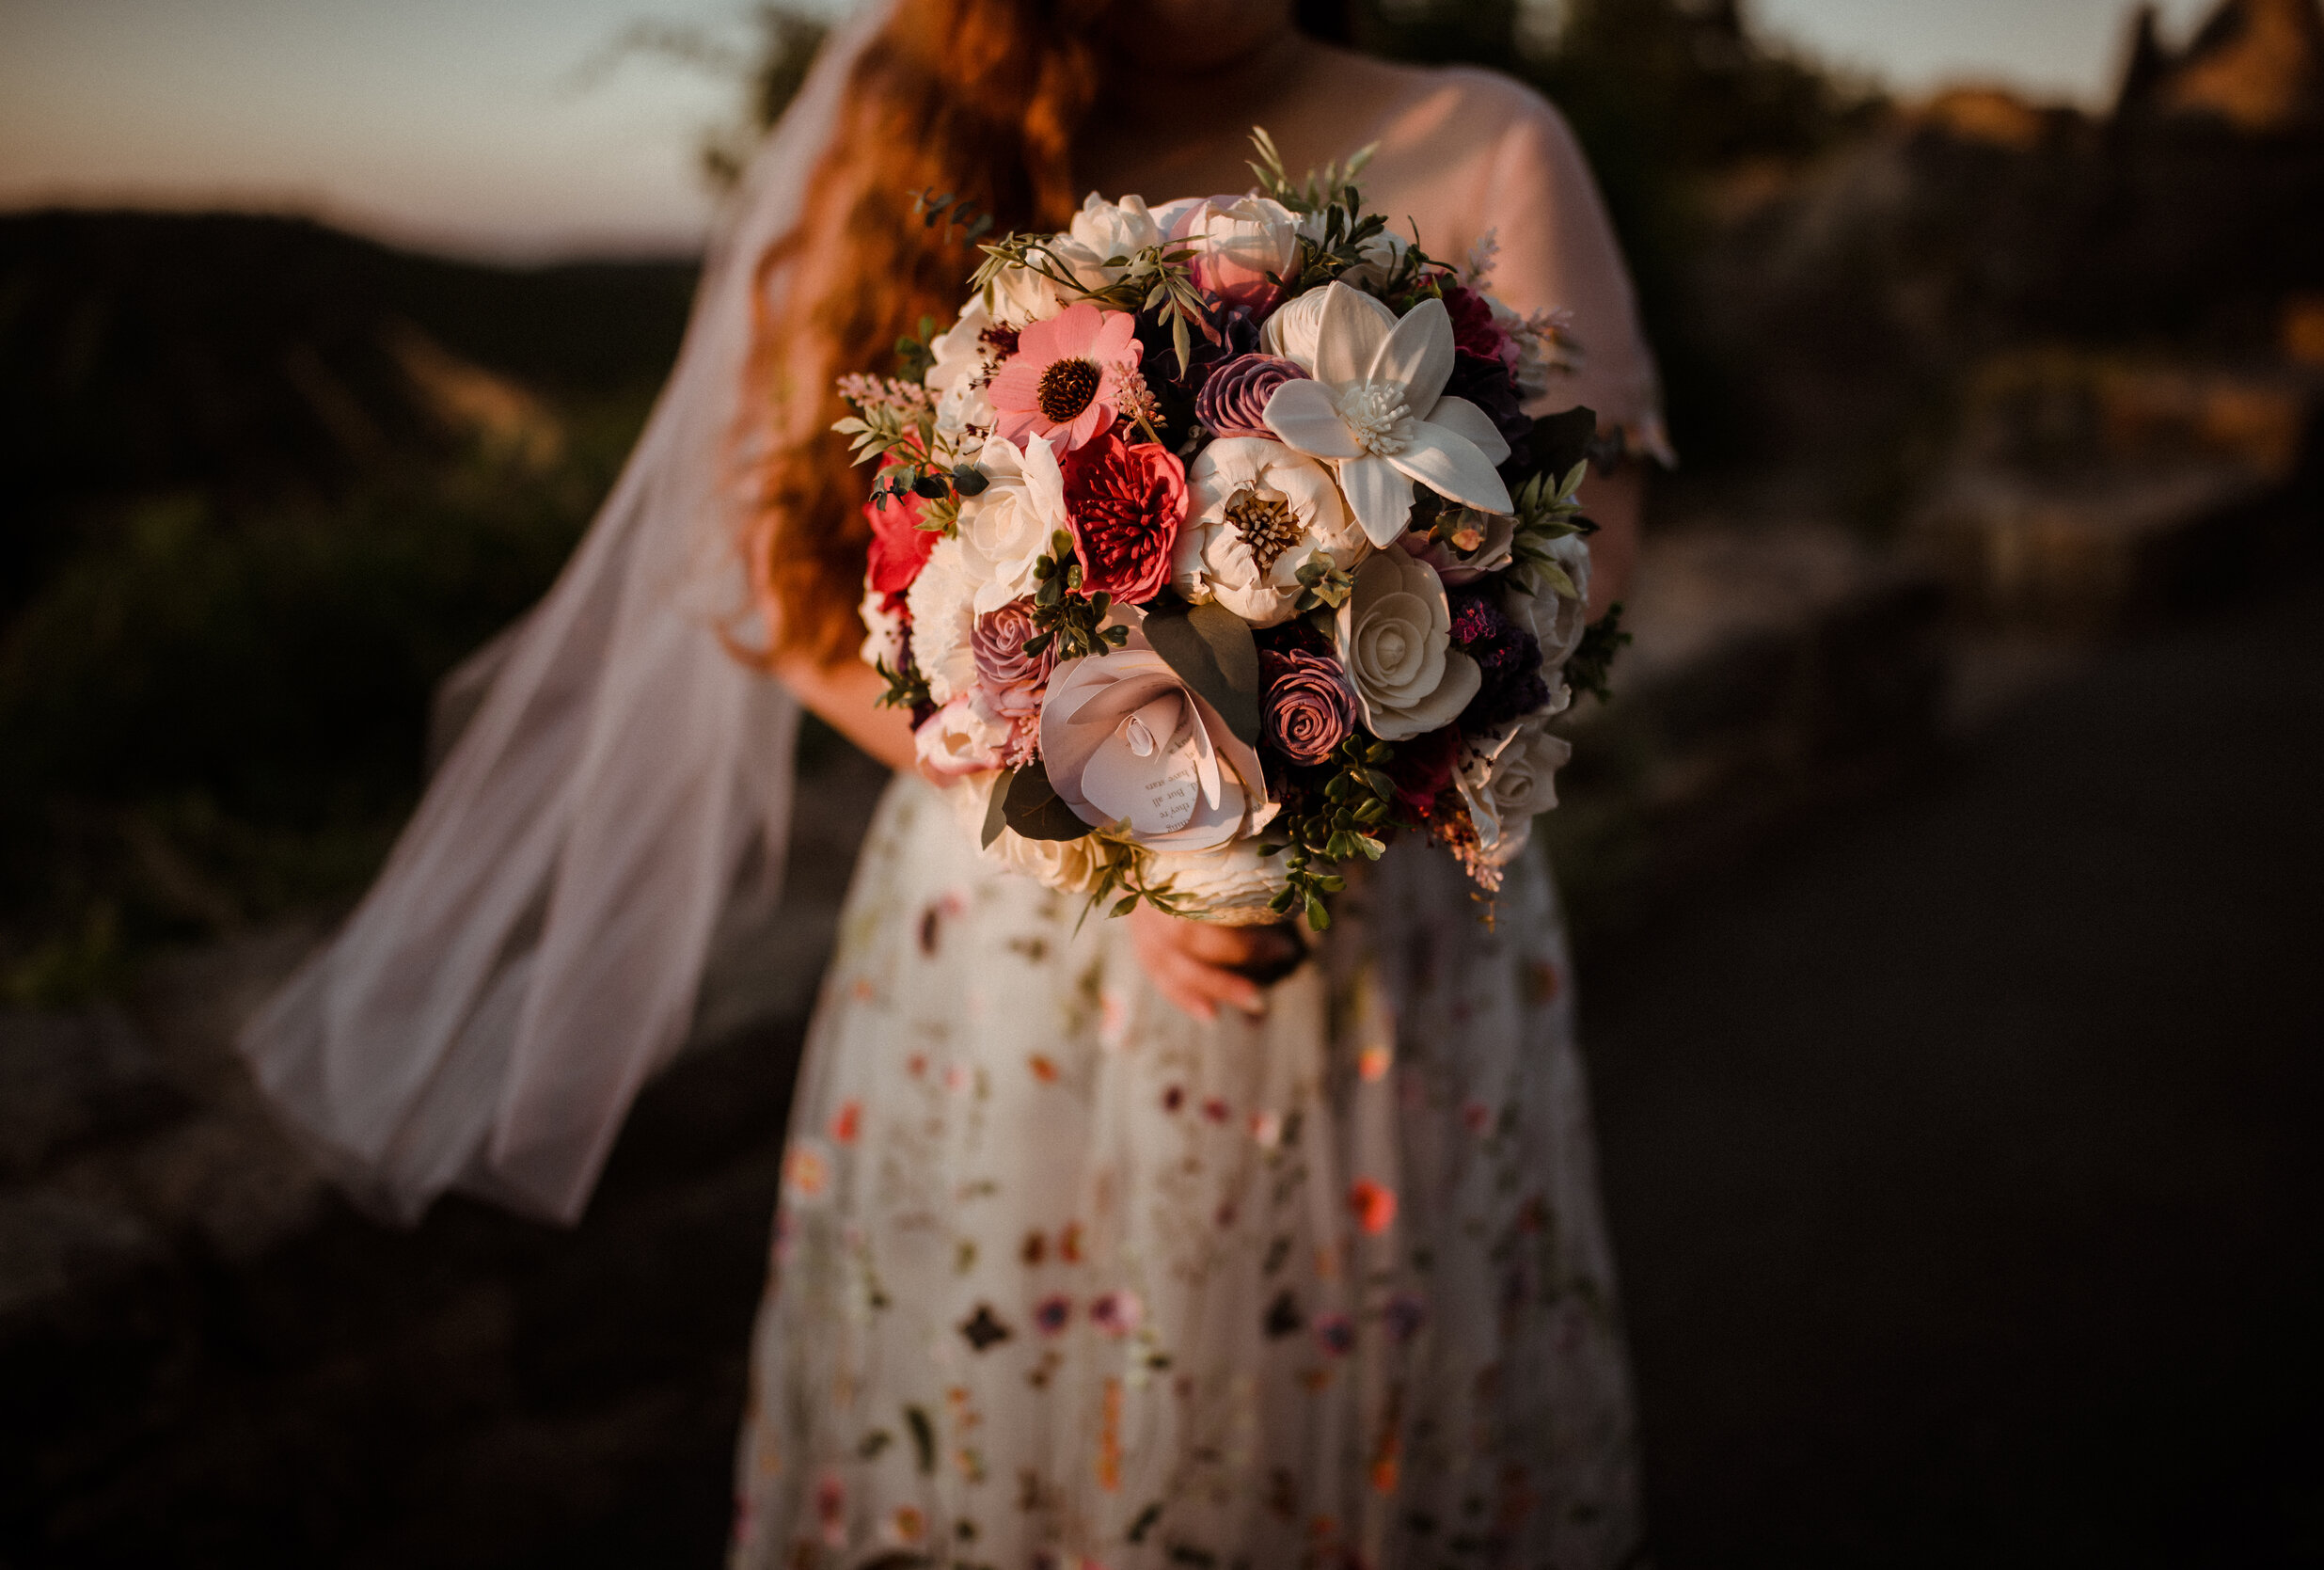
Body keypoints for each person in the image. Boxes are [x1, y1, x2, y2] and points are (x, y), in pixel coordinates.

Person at [240, 0, 1668, 1564]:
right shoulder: (925, 123)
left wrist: (1351, 811)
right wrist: (1113, 839)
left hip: (1393, 943)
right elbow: (761, 566)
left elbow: (1586, 533)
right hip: (1020, 955)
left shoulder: (1494, 139)